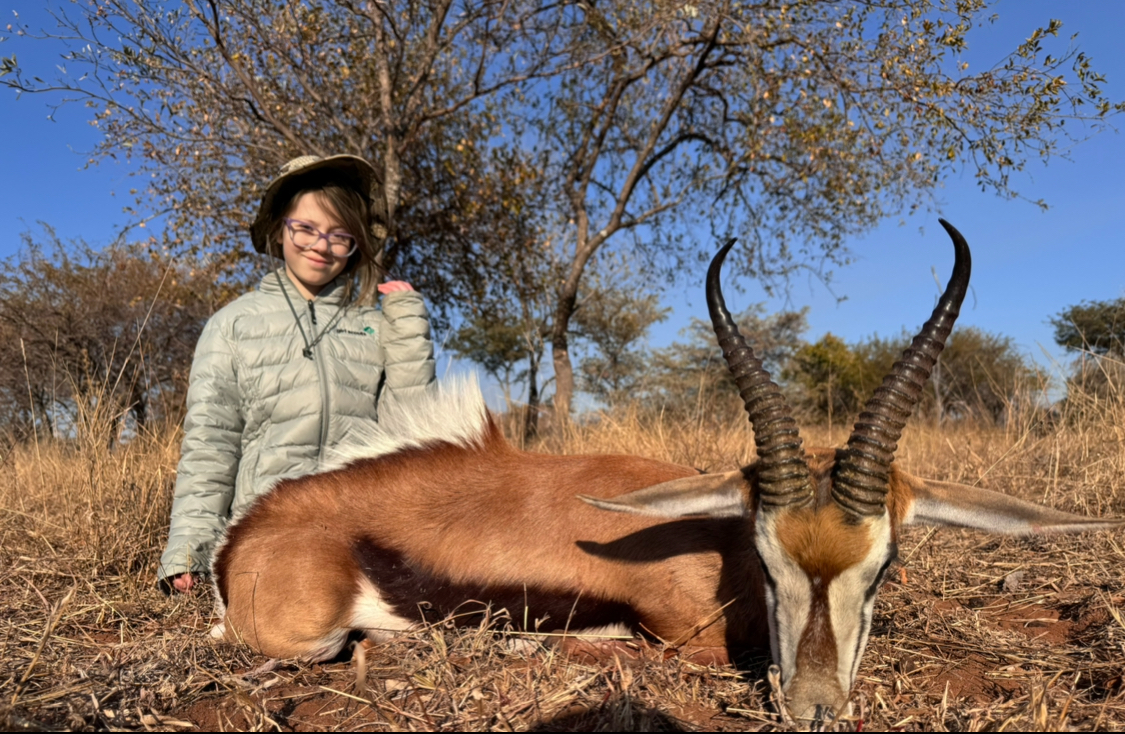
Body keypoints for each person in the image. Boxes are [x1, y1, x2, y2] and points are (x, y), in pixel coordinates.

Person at [158, 155, 435, 593]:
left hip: (358, 541)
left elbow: (411, 433)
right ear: (278, 229)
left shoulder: (378, 326)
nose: (321, 246)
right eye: (305, 228)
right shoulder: (232, 324)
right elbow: (211, 443)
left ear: (355, 244)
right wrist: (190, 549)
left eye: (340, 235)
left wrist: (408, 330)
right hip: (265, 538)